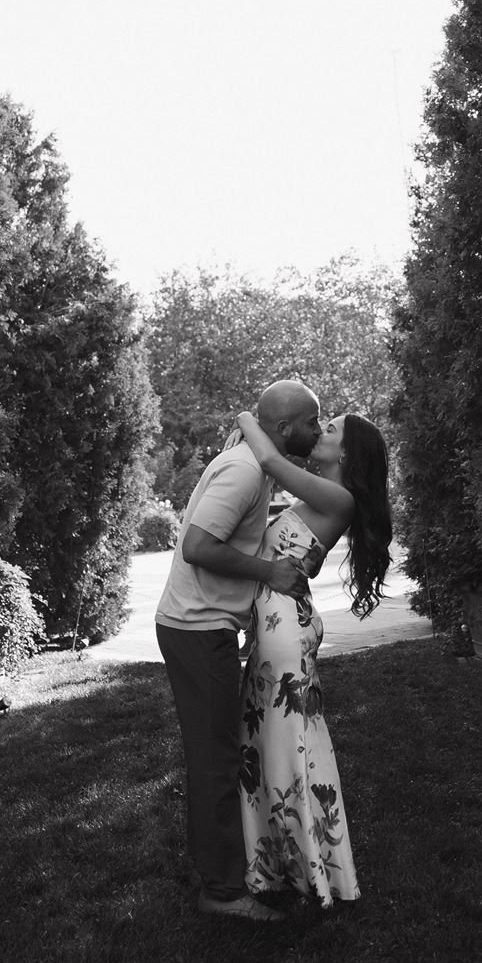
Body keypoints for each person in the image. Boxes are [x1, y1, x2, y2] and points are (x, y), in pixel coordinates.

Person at [154, 380, 323, 922]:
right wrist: (270, 572)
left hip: (204, 627)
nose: (318, 432)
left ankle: (215, 871)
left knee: (214, 758)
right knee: (215, 763)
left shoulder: (252, 464)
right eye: (313, 423)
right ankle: (224, 893)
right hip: (197, 630)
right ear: (284, 428)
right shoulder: (245, 470)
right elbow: (199, 546)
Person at [230, 406, 391, 910]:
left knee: (284, 749)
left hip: (285, 635)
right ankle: (276, 863)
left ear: (345, 452)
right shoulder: (325, 496)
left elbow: (273, 464)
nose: (320, 432)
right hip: (278, 628)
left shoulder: (338, 497)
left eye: (331, 429)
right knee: (272, 744)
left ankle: (298, 871)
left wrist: (246, 417)